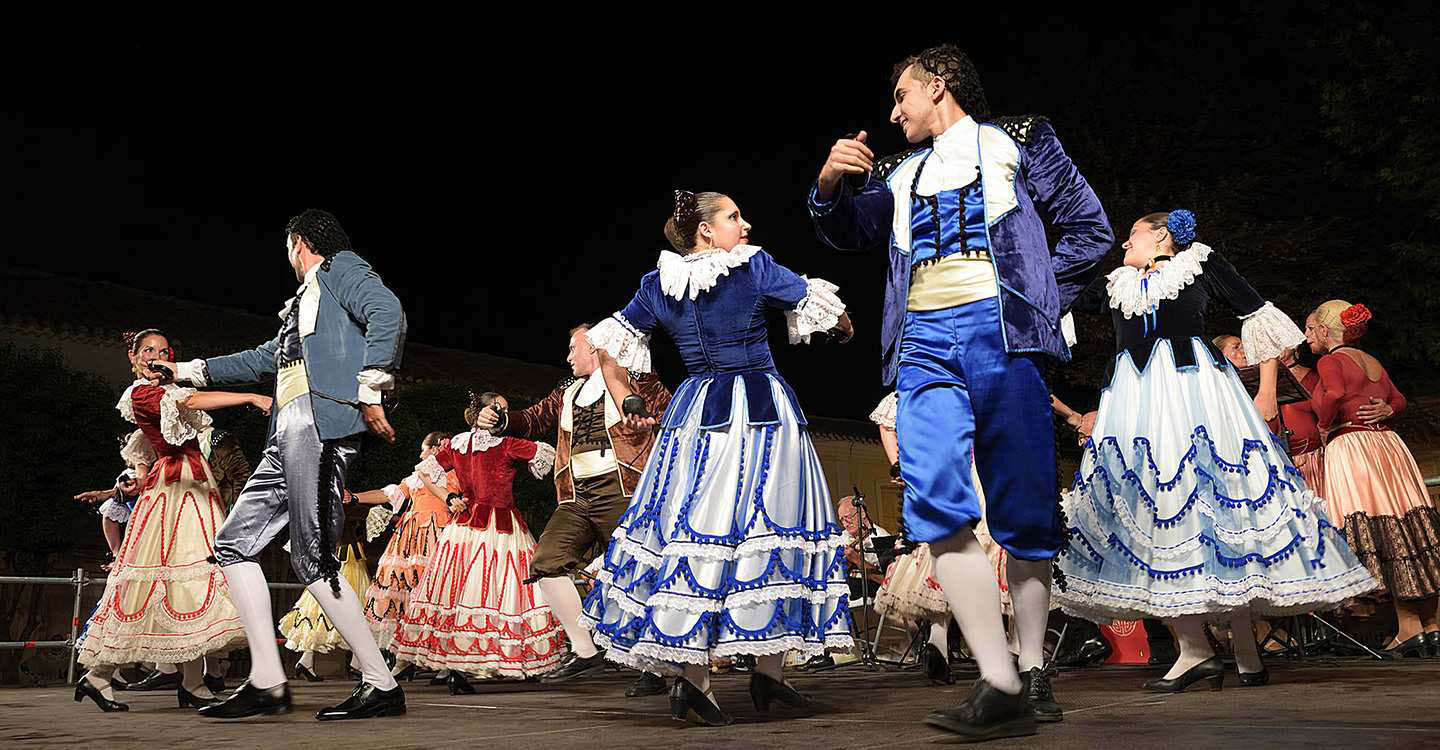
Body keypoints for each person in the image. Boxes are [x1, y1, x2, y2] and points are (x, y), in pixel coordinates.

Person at [808, 44, 1112, 741]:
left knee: (1024, 508)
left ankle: (1032, 666)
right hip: (921, 343)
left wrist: (1034, 298)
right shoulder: (893, 171)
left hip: (1004, 337)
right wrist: (828, 184)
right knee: (934, 494)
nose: (894, 113)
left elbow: (1090, 232)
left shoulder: (1023, 138)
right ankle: (998, 676)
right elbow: (847, 231)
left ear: (937, 86)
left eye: (902, 97)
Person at [1052, 211, 1376, 693]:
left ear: (1161, 235)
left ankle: (1223, 651)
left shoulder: (1200, 264)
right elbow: (1056, 296)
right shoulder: (1116, 283)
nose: (1124, 245)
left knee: (1216, 508)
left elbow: (1258, 314)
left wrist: (1266, 389)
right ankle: (1221, 652)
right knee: (1163, 510)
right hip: (1138, 404)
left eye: (1133, 235)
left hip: (1194, 395)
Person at [580, 189, 856, 727]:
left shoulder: (659, 282)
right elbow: (833, 313)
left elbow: (608, 347)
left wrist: (629, 402)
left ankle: (708, 680)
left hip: (695, 410)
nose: (745, 224)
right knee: (770, 522)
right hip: (757, 409)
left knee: (697, 525)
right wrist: (842, 328)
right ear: (707, 231)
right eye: (734, 216)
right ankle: (758, 673)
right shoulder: (752, 268)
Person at [152, 209, 408, 720]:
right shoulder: (304, 301)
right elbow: (263, 358)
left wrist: (372, 388)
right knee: (231, 546)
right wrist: (185, 370)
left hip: (319, 425)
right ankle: (267, 682)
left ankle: (381, 684)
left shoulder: (340, 268)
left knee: (313, 559)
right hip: (287, 433)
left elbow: (388, 311)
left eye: (287, 247)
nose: (286, 257)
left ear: (299, 242)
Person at [473, 323, 672, 698]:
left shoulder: (634, 378)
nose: (567, 357)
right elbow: (532, 419)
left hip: (623, 491)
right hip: (576, 495)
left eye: (572, 348)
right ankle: (585, 649)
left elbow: (667, 409)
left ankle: (654, 667)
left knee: (635, 575)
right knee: (546, 560)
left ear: (596, 348)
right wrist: (502, 420)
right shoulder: (566, 392)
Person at [75, 330, 264, 712]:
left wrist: (129, 482)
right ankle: (97, 675)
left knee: (185, 584)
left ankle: (192, 682)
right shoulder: (144, 394)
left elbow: (145, 452)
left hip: (191, 487)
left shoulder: (163, 396)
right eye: (147, 351)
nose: (155, 356)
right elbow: (190, 399)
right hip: (175, 493)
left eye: (164, 351)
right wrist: (251, 395)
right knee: (157, 583)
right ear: (133, 357)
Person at [392, 392, 566, 689]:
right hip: (500, 527)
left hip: (463, 528)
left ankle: (459, 669)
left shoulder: (459, 444)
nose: (505, 415)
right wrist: (448, 496)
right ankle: (502, 659)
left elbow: (424, 471)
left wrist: (448, 497)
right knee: (502, 591)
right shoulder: (507, 443)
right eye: (501, 409)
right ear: (484, 412)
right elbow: (545, 454)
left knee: (460, 593)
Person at [1307, 300, 1440, 657]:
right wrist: (1388, 410)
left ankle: (1410, 628)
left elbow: (1333, 394)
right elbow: (1398, 399)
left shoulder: (1330, 360)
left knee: (1382, 532)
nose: (1308, 337)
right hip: (1388, 446)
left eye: (1311, 328)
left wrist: (1322, 423)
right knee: (1407, 528)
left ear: (1325, 330)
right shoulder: (1371, 361)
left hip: (1355, 447)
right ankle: (1431, 624)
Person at [352, 431, 454, 675]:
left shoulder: (455, 472)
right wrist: (355, 497)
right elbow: (392, 493)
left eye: (424, 448)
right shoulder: (418, 476)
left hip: (440, 534)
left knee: (437, 594)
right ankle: (404, 657)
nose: (420, 454)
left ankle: (444, 660)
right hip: (411, 538)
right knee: (405, 594)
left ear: (438, 447)